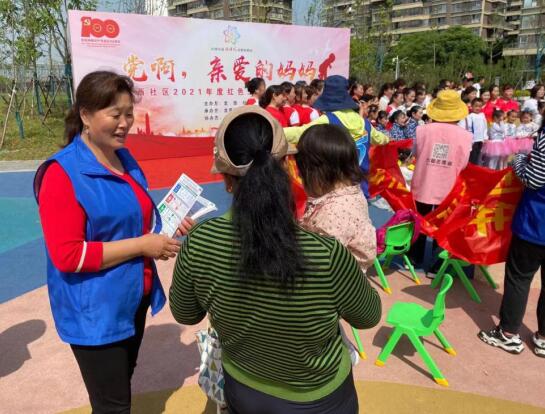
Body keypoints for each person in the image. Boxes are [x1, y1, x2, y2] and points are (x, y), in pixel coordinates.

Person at [170, 106, 382, 413]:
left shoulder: (199, 242)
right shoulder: (327, 253)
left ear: (226, 180)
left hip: (244, 389)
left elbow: (185, 313)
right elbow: (368, 316)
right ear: (285, 167)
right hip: (320, 398)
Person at [34, 71, 193, 413]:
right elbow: (69, 255)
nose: (124, 124)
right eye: (114, 114)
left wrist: (166, 225)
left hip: (131, 300)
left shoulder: (123, 158)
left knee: (120, 387)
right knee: (113, 406)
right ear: (85, 115)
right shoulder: (61, 175)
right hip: (96, 313)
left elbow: (134, 217)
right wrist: (142, 246)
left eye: (129, 114)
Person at [478, 119, 545, 358]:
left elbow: (534, 179)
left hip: (536, 224)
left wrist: (519, 159)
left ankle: (507, 334)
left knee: (519, 278)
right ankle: (543, 338)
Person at [284, 75, 389, 198]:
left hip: (336, 191)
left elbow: (300, 133)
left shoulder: (327, 120)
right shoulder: (364, 123)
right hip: (361, 191)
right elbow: (382, 139)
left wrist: (274, 130)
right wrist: (389, 139)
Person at [297, 123, 377, 272]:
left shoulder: (333, 213)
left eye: (302, 171)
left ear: (319, 171)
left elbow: (318, 263)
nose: (300, 176)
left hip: (335, 282)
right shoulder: (353, 193)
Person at [409, 89, 472, 268]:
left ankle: (414, 258)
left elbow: (415, 153)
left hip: (424, 183)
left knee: (419, 221)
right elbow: (464, 164)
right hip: (449, 187)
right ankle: (438, 264)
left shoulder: (422, 130)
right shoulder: (466, 136)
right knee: (444, 226)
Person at [458, 98, 488, 165]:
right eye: (476, 106)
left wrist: (485, 137)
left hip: (480, 140)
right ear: (472, 106)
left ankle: (475, 167)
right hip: (472, 140)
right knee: (472, 156)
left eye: (479, 106)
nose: (478, 108)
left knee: (478, 156)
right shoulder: (469, 116)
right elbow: (466, 127)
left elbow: (485, 127)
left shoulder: (482, 116)